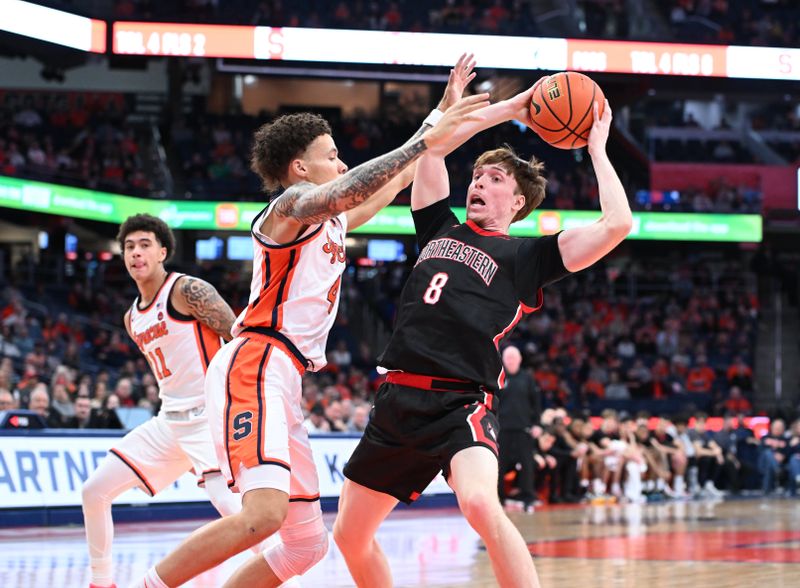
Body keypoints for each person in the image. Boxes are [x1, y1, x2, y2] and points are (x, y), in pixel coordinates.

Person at [131, 55, 488, 588]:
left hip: (285, 374)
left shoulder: (333, 218)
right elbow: (344, 191)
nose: (343, 163)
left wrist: (441, 114)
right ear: (300, 166)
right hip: (256, 360)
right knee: (263, 516)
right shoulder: (289, 205)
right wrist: (421, 142)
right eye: (332, 154)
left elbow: (390, 182)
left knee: (304, 545)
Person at [334, 68, 630, 586]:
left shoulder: (527, 257)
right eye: (477, 176)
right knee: (348, 537)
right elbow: (432, 148)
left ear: (517, 203)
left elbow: (617, 225)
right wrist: (511, 108)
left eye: (495, 180)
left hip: (460, 403)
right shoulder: (437, 225)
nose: (479, 184)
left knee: (478, 502)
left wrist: (599, 150)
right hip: (398, 399)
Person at [81, 214, 244, 588]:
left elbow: (236, 337)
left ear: (162, 252)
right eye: (129, 247)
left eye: (144, 245)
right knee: (94, 490)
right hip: (169, 422)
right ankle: (101, 582)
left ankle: (293, 581)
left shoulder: (187, 290)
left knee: (240, 517)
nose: (136, 253)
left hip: (210, 418)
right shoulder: (131, 318)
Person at [496, 345, 539, 511]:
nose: (511, 360)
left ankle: (528, 497)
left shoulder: (527, 378)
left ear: (520, 359)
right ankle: (498, 497)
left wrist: (537, 424)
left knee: (527, 464)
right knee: (500, 465)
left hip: (524, 428)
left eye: (514, 357)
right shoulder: (498, 377)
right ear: (503, 360)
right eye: (508, 357)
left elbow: (536, 403)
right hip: (502, 429)